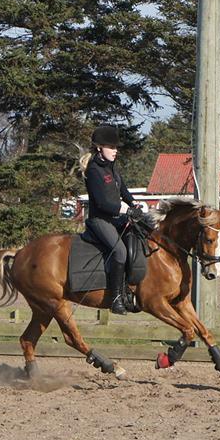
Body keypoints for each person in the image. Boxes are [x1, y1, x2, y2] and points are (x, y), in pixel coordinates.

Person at [81, 124, 137, 314]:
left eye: (116, 148)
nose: (115, 151)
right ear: (99, 147)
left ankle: (129, 291)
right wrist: (123, 209)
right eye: (112, 147)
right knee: (120, 252)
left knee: (135, 238)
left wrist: (133, 203)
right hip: (100, 220)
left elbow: (123, 189)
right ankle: (115, 299)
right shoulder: (94, 170)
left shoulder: (111, 167)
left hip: (115, 219)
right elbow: (102, 203)